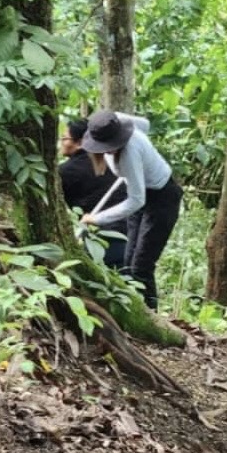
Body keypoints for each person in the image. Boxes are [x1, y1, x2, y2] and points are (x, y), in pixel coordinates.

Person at [80, 110, 182, 310]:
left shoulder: (129, 154)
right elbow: (144, 124)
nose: (108, 151)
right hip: (140, 193)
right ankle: (134, 309)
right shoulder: (114, 122)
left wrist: (97, 218)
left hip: (162, 198)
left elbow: (136, 200)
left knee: (141, 266)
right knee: (127, 263)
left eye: (111, 147)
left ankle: (152, 316)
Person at [58, 118, 127, 268]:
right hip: (129, 227)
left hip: (103, 234)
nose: (61, 143)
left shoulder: (65, 172)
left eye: (64, 138)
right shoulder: (108, 160)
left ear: (80, 142)